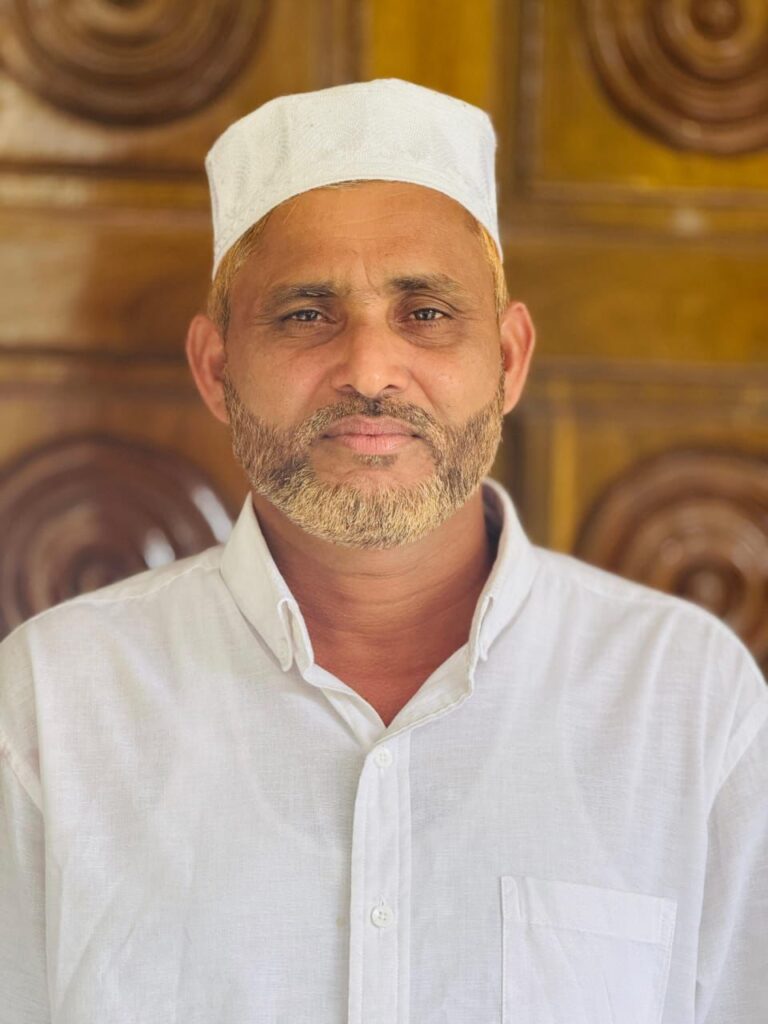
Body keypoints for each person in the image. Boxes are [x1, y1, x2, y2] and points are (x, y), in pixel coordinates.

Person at [0, 79, 765, 1024]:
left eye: (427, 313)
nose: (368, 370)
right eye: (306, 314)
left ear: (509, 360)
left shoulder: (689, 700)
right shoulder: (56, 703)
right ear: (217, 368)